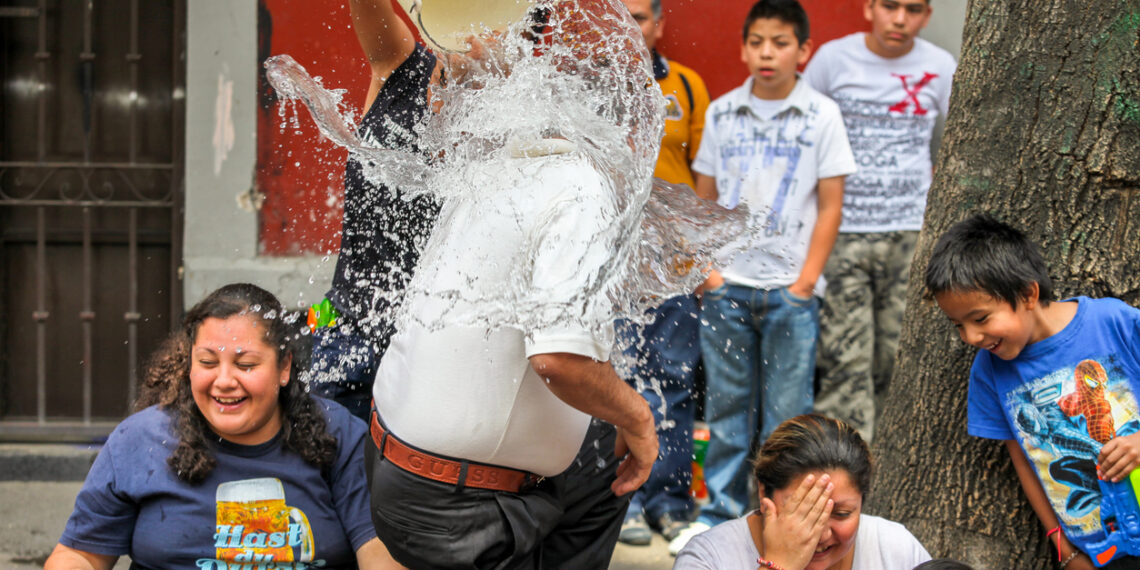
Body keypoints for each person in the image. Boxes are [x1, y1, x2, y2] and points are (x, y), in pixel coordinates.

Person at [353, 0, 660, 567]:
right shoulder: (580, 185)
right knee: (628, 434)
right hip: (460, 508)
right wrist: (638, 417)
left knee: (598, 456)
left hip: (395, 461)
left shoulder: (495, 158)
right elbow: (560, 362)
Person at [668, 0, 856, 555]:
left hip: (790, 294)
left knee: (787, 418)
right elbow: (702, 201)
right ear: (744, 47)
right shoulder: (724, 113)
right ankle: (721, 518)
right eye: (757, 42)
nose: (767, 53)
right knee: (726, 409)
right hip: (729, 289)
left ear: (804, 51)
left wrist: (806, 283)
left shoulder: (822, 115)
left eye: (780, 42)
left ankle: (787, 521)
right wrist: (708, 273)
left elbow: (830, 206)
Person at [44, 283, 398, 570]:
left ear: (284, 367)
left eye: (245, 364)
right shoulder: (139, 440)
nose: (224, 381)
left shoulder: (338, 433)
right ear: (189, 366)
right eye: (208, 362)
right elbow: (79, 555)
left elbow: (378, 551)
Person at [926, 214, 1140, 570]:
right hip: (1102, 553)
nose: (971, 337)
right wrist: (1065, 551)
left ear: (1028, 293)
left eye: (980, 319)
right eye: (958, 326)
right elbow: (1025, 462)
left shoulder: (1113, 321)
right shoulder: (988, 371)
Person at [804, 0, 956, 443]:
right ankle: (842, 468)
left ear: (927, 16)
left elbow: (957, 141)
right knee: (844, 360)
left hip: (910, 236)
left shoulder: (940, 66)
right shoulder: (833, 59)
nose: (900, 19)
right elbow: (804, 132)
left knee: (898, 357)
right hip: (843, 233)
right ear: (869, 7)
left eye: (914, 9)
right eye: (890, 5)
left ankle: (889, 470)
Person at [305, 0, 443, 422]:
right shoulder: (400, 68)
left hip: (438, 346)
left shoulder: (516, 111)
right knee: (323, 472)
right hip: (343, 325)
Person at [616, 0, 711, 546]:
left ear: (660, 24)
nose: (633, 28)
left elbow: (704, 177)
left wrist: (700, 259)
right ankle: (621, 501)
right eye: (622, 15)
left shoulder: (688, 87)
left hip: (672, 268)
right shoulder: (593, 84)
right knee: (617, 381)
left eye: (642, 17)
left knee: (673, 381)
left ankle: (669, 501)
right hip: (611, 269)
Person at [674, 414, 931, 569]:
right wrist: (779, 565)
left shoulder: (898, 551)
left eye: (841, 513)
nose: (820, 533)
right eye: (803, 510)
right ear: (764, 494)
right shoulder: (709, 558)